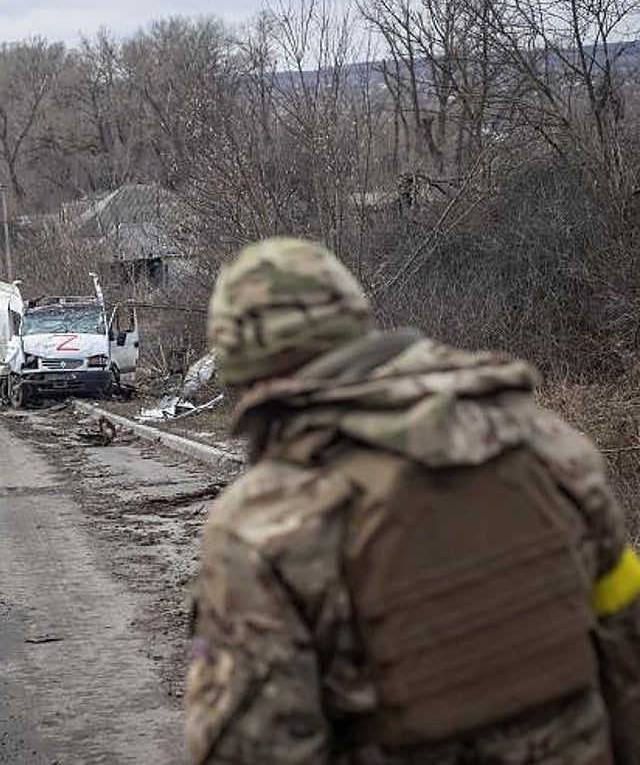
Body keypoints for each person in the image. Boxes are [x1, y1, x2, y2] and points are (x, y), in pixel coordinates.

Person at [185, 237, 640, 764]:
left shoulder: (262, 522)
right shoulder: (542, 441)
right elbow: (627, 645)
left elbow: (254, 747)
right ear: (358, 320)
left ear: (240, 367)